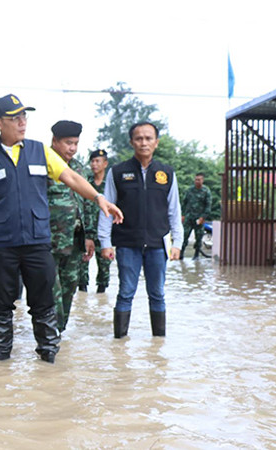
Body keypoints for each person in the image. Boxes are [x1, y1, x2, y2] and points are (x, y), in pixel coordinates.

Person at [0, 94, 123, 363]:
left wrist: (98, 198)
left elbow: (72, 177)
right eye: (14, 118)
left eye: (24, 116)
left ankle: (48, 356)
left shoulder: (40, 151)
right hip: (1, 244)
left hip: (38, 242)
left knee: (44, 302)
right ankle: (1, 357)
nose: (22, 122)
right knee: (0, 304)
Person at [98, 122, 183, 339]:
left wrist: (177, 243)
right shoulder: (117, 172)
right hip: (127, 243)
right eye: (138, 138)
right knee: (126, 292)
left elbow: (174, 210)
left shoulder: (167, 173)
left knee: (157, 294)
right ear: (131, 142)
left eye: (148, 138)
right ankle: (119, 343)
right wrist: (105, 243)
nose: (143, 143)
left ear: (156, 142)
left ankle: (158, 343)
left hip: (157, 244)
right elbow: (106, 208)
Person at [47, 120, 93, 331]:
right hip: (49, 241)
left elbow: (86, 203)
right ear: (55, 141)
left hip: (74, 240)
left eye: (75, 143)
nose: (72, 148)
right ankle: (49, 332)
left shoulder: (78, 168)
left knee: (70, 286)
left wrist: (89, 236)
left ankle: (60, 330)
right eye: (68, 143)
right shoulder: (43, 166)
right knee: (50, 289)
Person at [80, 149, 113, 293]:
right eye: (92, 161)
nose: (94, 164)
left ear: (105, 163)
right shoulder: (85, 183)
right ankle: (83, 302)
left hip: (104, 233)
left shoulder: (110, 185)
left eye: (97, 161)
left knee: (104, 268)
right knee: (81, 269)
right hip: (86, 231)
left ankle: (101, 298)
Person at [180, 172, 212, 259]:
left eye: (199, 180)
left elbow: (208, 206)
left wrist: (203, 217)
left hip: (199, 218)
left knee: (199, 237)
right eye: (196, 179)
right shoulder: (190, 190)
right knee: (184, 235)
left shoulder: (206, 191)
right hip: (189, 217)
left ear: (202, 180)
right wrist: (183, 215)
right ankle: (181, 254)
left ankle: (196, 255)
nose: (197, 181)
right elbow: (184, 202)